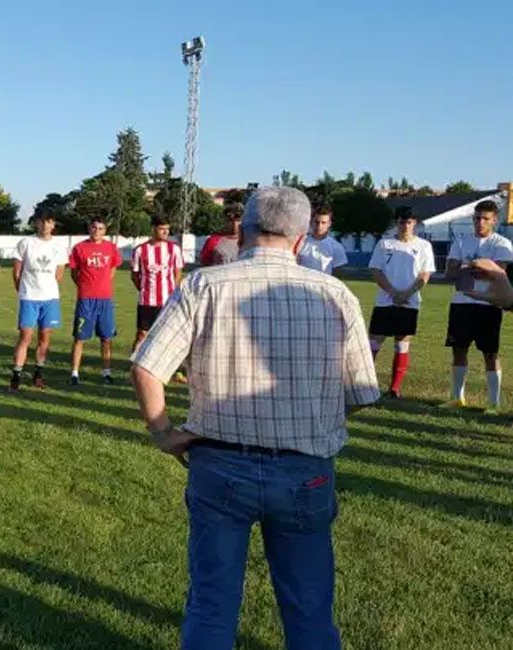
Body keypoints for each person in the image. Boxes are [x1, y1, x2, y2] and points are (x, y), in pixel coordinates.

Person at [131, 186, 380, 649]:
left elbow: (146, 367)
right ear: (302, 239)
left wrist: (163, 432)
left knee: (211, 604)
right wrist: (316, 410)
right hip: (305, 468)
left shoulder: (205, 285)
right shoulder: (335, 294)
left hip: (220, 462)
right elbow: (362, 391)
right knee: (309, 610)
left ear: (242, 231)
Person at [442, 199, 513, 411]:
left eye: (485, 218)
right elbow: (450, 272)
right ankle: (457, 397)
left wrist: (470, 266)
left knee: (490, 353)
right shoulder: (461, 241)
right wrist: (476, 265)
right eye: (476, 218)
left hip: (489, 304)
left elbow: (497, 273)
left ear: (494, 220)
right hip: (461, 302)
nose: (479, 222)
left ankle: (493, 401)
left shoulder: (502, 244)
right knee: (458, 349)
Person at [368, 207, 435, 398]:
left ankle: (394, 388)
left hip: (409, 302)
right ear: (396, 223)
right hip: (385, 301)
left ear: (415, 223)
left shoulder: (423, 246)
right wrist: (392, 292)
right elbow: (376, 271)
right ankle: (366, 384)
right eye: (402, 222)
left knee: (402, 342)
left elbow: (425, 274)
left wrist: (406, 293)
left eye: (409, 222)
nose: (405, 226)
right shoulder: (384, 244)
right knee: (374, 340)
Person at [9, 208, 68, 391]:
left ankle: (38, 374)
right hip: (29, 298)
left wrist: (46, 288)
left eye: (49, 221)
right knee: (25, 336)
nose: (45, 225)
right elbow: (17, 272)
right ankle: (16, 375)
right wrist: (24, 291)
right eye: (42, 221)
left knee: (44, 337)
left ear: (53, 224)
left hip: (50, 299)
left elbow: (59, 275)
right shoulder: (26, 243)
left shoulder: (59, 246)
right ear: (36, 223)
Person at [68, 216, 120, 385]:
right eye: (94, 227)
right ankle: (74, 373)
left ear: (105, 231)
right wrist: (85, 286)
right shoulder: (79, 248)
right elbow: (74, 273)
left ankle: (106, 372)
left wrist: (102, 285)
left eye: (100, 228)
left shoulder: (111, 248)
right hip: (86, 300)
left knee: (106, 338)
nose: (97, 231)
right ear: (89, 228)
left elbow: (112, 269)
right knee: (80, 337)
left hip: (105, 300)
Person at [130, 216, 183, 360]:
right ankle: (135, 363)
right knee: (142, 333)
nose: (165, 232)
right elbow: (134, 275)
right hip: (147, 301)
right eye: (161, 229)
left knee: (169, 335)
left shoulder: (174, 249)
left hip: (168, 301)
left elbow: (177, 273)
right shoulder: (140, 250)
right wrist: (144, 289)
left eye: (167, 229)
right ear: (153, 229)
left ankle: (170, 367)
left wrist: (173, 291)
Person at [297, 205, 348, 275]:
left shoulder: (336, 247)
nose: (319, 226)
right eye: (316, 222)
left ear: (329, 224)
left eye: (323, 223)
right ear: (311, 222)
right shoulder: (300, 243)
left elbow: (338, 272)